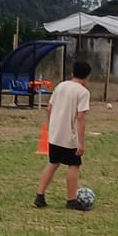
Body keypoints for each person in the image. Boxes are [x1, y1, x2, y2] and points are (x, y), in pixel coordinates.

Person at [35, 59, 92, 208]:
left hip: (55, 134)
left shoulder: (60, 86)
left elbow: (49, 108)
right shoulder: (83, 92)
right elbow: (80, 117)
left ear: (72, 73)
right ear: (88, 76)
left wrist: (52, 126)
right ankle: (71, 200)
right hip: (69, 136)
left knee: (53, 163)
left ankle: (40, 195)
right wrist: (81, 142)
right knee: (74, 164)